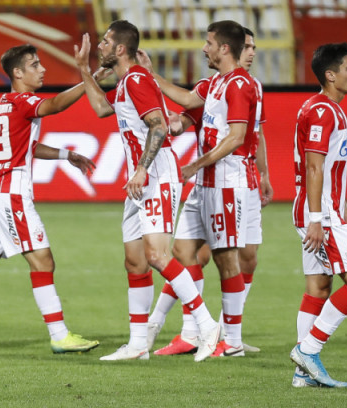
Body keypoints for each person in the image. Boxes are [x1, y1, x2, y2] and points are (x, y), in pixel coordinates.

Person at [74, 20, 220, 362]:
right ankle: (139, 344)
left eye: (106, 41)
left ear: (120, 49)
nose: (100, 46)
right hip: (139, 179)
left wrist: (141, 169)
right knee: (135, 261)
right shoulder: (127, 82)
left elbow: (158, 127)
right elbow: (101, 108)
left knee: (156, 255)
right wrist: (83, 69)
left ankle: (207, 325)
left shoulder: (137, 79)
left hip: (155, 174)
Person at [0, 44, 102, 355]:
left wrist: (66, 154)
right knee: (43, 261)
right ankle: (59, 336)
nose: (42, 69)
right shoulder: (24, 101)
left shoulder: (5, 104)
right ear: (18, 73)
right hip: (11, 195)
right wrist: (89, 78)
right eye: (34, 65)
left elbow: (25, 146)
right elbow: (55, 105)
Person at [140, 28, 274, 356]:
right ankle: (194, 332)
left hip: (228, 182)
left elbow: (238, 137)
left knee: (228, 259)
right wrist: (150, 74)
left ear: (224, 48)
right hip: (206, 183)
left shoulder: (241, 85)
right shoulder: (214, 83)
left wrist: (195, 164)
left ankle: (232, 342)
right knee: (183, 252)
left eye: (209, 43)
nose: (203, 48)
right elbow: (187, 100)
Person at [289, 42, 347, 388]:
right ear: (331, 75)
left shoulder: (324, 108)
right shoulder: (323, 111)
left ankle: (302, 375)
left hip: (326, 210)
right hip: (320, 215)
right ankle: (308, 350)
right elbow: (314, 167)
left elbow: (333, 172)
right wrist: (317, 219)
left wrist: (344, 213)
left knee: (318, 287)